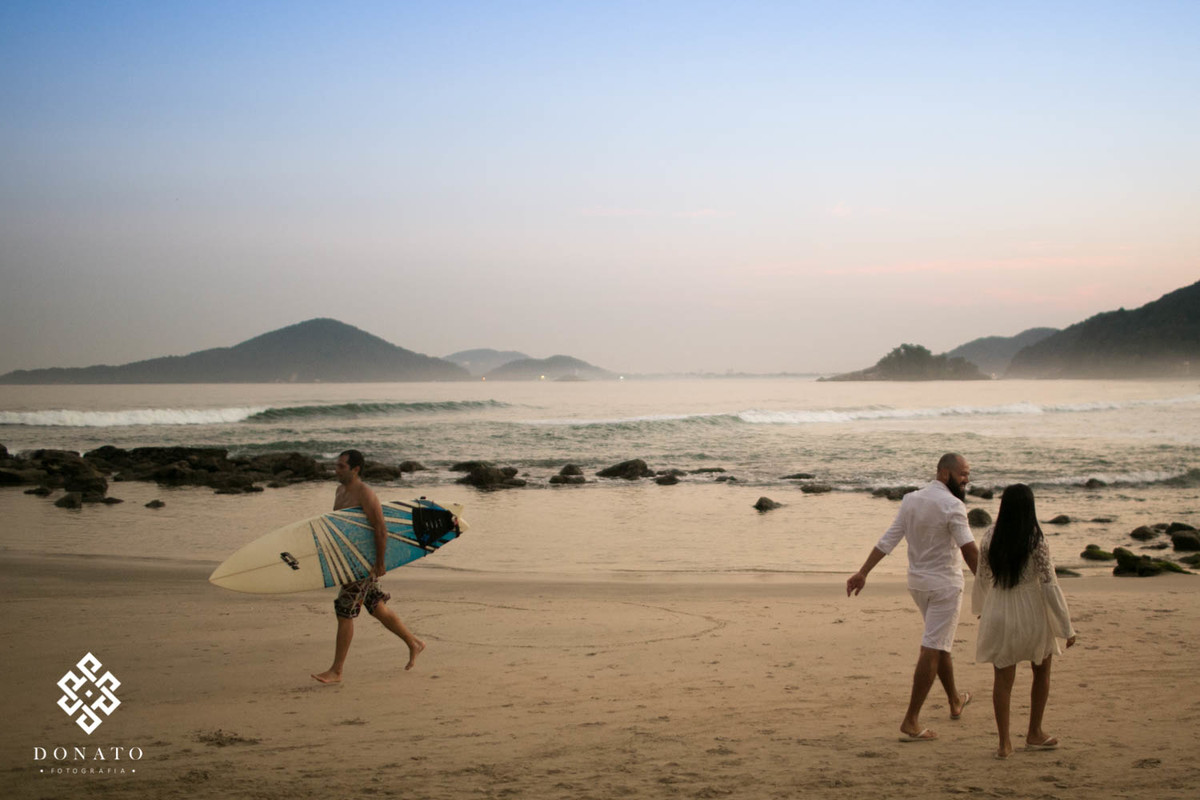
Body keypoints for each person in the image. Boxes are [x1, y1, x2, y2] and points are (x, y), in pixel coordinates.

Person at [846, 453, 979, 742]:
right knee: (932, 647)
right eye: (963, 474)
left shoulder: (911, 500)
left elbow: (889, 539)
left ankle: (955, 700)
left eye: (968, 475)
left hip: (918, 585)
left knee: (939, 643)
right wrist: (987, 587)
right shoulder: (953, 505)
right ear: (944, 473)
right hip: (944, 587)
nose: (966, 480)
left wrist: (863, 572)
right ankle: (911, 720)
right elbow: (969, 550)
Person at [972, 483, 1077, 759]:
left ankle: (1004, 743)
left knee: (1002, 678)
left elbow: (982, 576)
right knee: (1041, 669)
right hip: (1031, 610)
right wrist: (1066, 627)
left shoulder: (989, 536)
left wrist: (981, 608)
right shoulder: (1036, 539)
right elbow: (1050, 585)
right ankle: (1034, 732)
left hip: (998, 607)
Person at [311, 449, 425, 684]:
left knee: (344, 612)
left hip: (363, 563)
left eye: (341, 466)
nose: (336, 470)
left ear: (355, 469)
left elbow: (381, 529)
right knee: (375, 606)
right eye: (337, 465)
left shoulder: (365, 494)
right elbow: (340, 526)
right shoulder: (340, 491)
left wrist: (380, 562)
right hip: (349, 560)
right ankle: (414, 643)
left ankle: (337, 671)